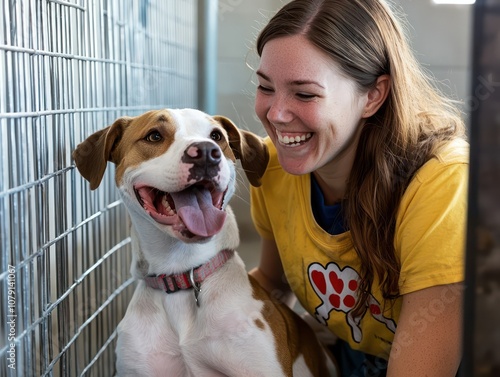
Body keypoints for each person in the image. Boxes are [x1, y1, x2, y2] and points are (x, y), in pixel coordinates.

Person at [248, 0, 468, 376]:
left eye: (304, 94)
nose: (276, 114)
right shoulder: (271, 168)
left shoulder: (442, 183)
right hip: (360, 360)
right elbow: (271, 282)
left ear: (373, 95)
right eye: (266, 87)